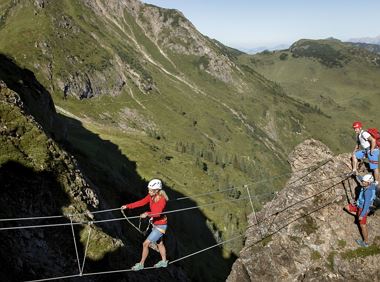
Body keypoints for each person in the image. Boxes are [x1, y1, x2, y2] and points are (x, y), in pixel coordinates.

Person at [121, 179, 169, 271]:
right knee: (160, 243)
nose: (149, 191)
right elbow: (141, 202)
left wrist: (147, 213)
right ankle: (164, 261)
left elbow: (157, 213)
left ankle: (141, 264)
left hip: (161, 225)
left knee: (145, 244)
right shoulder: (151, 196)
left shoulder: (162, 200)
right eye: (149, 189)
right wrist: (128, 206)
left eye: (151, 190)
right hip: (156, 224)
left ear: (157, 190)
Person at [344, 174, 377, 247]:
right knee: (347, 207)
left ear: (369, 183)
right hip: (359, 205)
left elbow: (367, 205)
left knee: (363, 226)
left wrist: (362, 215)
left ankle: (366, 242)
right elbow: (361, 178)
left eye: (365, 182)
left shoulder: (368, 192)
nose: (363, 182)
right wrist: (356, 174)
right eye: (363, 181)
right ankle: (358, 215)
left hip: (363, 209)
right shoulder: (370, 184)